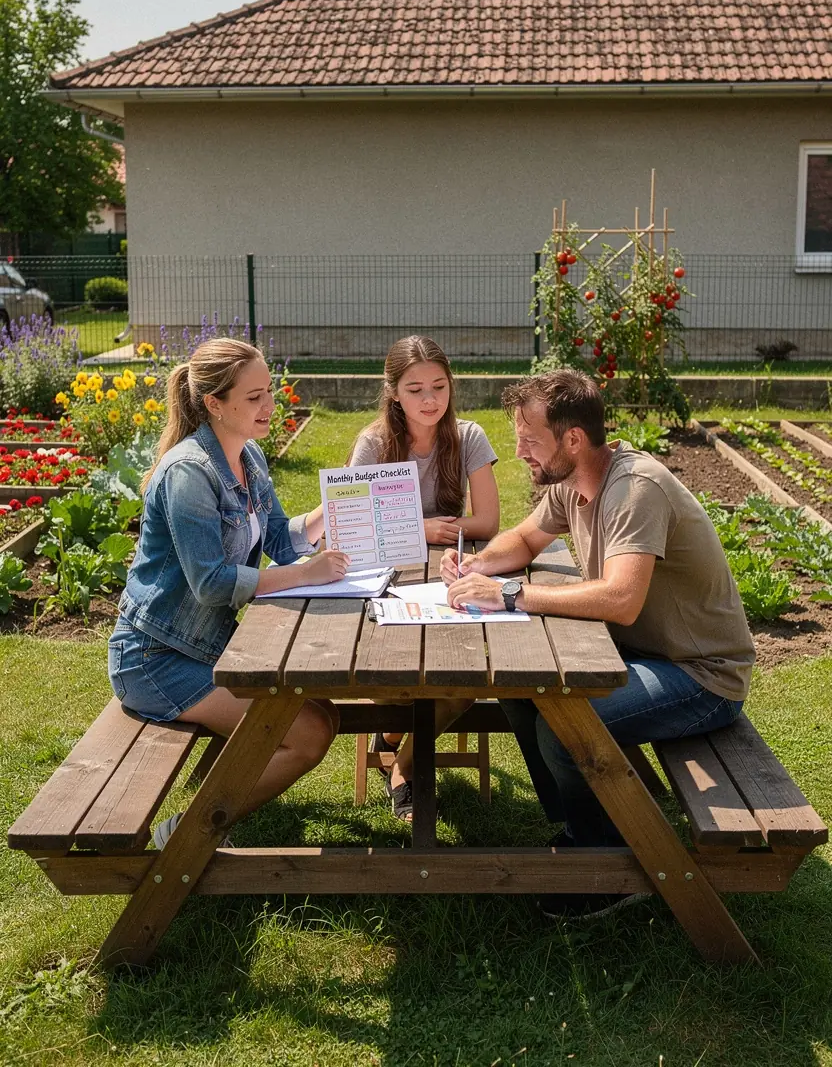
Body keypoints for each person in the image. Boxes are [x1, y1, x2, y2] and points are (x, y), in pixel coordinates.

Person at [440, 368, 755, 921]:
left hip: (703, 675)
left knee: (565, 728)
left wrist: (512, 596)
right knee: (520, 687)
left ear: (573, 440)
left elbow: (621, 600)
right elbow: (523, 538)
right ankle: (594, 821)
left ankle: (609, 863)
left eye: (530, 440)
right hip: (647, 656)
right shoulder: (574, 480)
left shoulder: (636, 489)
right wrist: (476, 563)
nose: (520, 453)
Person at [109, 338, 348, 849]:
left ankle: (209, 798)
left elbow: (281, 540)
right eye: (255, 396)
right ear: (215, 404)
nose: (270, 406)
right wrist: (309, 575)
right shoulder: (189, 473)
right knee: (308, 733)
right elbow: (213, 582)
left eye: (269, 391)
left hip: (203, 645)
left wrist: (340, 500)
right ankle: (188, 834)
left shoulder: (249, 456)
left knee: (322, 709)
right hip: (154, 660)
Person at [348, 335, 500, 820]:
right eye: (415, 390)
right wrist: (422, 526)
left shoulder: (469, 437)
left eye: (439, 386)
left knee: (463, 678)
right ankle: (392, 729)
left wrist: (419, 528)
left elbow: (489, 522)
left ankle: (403, 765)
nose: (430, 399)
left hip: (452, 574)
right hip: (388, 577)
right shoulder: (374, 443)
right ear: (393, 392)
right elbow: (351, 521)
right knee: (385, 667)